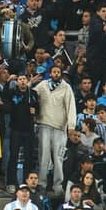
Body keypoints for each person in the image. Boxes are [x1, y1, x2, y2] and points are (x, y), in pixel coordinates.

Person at [33, 65, 76, 194]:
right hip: (44, 124)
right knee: (43, 156)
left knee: (58, 157)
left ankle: (58, 185)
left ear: (61, 74)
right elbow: (32, 96)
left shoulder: (66, 87)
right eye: (54, 72)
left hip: (59, 127)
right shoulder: (43, 85)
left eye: (58, 72)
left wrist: (71, 126)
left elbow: (71, 107)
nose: (56, 74)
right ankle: (41, 183)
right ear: (50, 73)